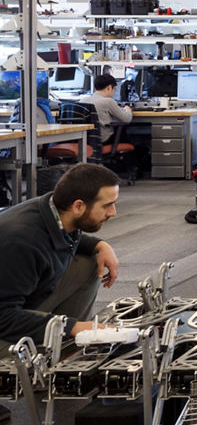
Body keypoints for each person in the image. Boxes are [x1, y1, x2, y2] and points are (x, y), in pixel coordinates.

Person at [0, 164, 122, 402]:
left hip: (17, 303)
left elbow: (69, 239)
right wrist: (72, 326)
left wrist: (100, 245)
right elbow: (3, 317)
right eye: (107, 205)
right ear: (78, 206)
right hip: (3, 318)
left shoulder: (55, 211)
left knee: (89, 262)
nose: (113, 212)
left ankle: (63, 352)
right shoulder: (20, 242)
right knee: (22, 360)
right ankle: (31, 367)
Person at [83, 73, 134, 143]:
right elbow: (127, 119)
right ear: (109, 87)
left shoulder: (83, 100)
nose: (114, 92)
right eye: (114, 89)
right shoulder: (108, 101)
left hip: (85, 139)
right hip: (103, 139)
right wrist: (127, 109)